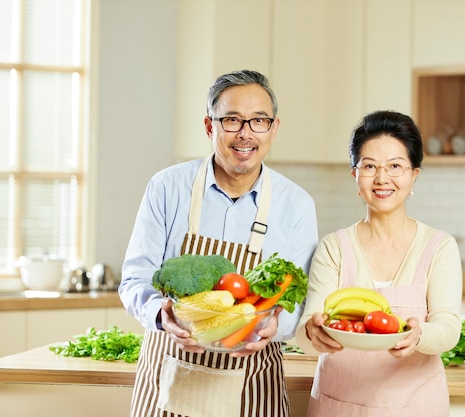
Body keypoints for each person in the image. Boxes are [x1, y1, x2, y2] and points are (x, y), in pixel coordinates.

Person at [119, 69, 319, 417]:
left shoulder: (296, 204)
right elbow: (135, 278)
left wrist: (275, 325)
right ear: (210, 127)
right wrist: (160, 314)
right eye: (231, 120)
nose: (245, 134)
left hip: (253, 383)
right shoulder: (167, 187)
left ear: (273, 129)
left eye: (258, 120)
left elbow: (300, 302)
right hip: (169, 375)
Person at [295, 110, 462, 417]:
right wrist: (312, 333)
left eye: (395, 166)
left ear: (414, 175)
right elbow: (308, 328)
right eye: (369, 166)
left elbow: (449, 328)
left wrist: (419, 335)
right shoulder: (334, 247)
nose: (382, 178)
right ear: (355, 176)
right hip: (338, 406)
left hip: (417, 408)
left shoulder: (439, 247)